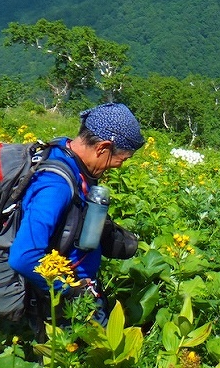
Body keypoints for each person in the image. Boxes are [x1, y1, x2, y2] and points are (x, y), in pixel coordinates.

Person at [9, 102, 145, 327]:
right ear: (102, 147)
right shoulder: (55, 187)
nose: (118, 167)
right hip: (61, 305)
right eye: (122, 159)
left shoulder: (65, 151)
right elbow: (23, 257)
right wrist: (71, 291)